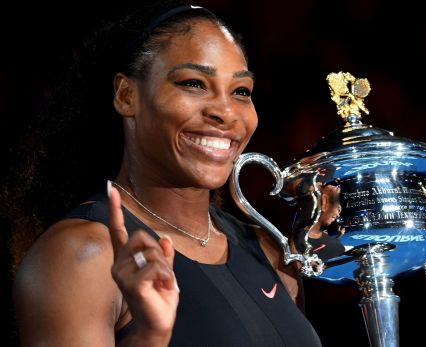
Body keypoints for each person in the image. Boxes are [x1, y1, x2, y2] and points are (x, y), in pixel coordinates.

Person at [10, 1, 322, 346]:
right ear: (127, 96)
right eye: (194, 84)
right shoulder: (84, 255)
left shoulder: (269, 251)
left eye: (241, 91)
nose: (225, 112)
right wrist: (150, 337)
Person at [306, 184, 346, 261]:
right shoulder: (291, 230)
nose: (338, 215)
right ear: (325, 202)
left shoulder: (335, 247)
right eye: (338, 209)